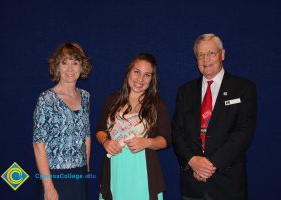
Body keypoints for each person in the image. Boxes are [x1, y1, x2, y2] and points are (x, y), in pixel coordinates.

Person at [172, 33, 257, 200]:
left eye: (211, 53)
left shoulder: (244, 88)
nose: (206, 59)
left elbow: (244, 133)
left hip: (228, 184)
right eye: (201, 55)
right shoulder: (185, 91)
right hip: (193, 185)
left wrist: (210, 165)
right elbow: (176, 132)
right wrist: (192, 161)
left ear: (222, 54)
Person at [96, 53, 171, 200]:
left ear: (152, 79)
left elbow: (166, 139)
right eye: (137, 72)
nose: (140, 79)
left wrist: (147, 142)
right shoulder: (111, 100)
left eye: (147, 75)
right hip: (115, 171)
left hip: (143, 173)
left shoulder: (157, 105)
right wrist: (106, 142)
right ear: (129, 72)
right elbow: (100, 131)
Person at [33, 42, 92, 200]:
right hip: (54, 176)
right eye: (64, 63)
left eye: (75, 63)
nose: (70, 69)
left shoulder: (85, 96)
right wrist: (48, 187)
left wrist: (86, 169)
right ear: (57, 66)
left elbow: (86, 134)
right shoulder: (46, 99)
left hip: (78, 175)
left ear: (82, 66)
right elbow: (39, 144)